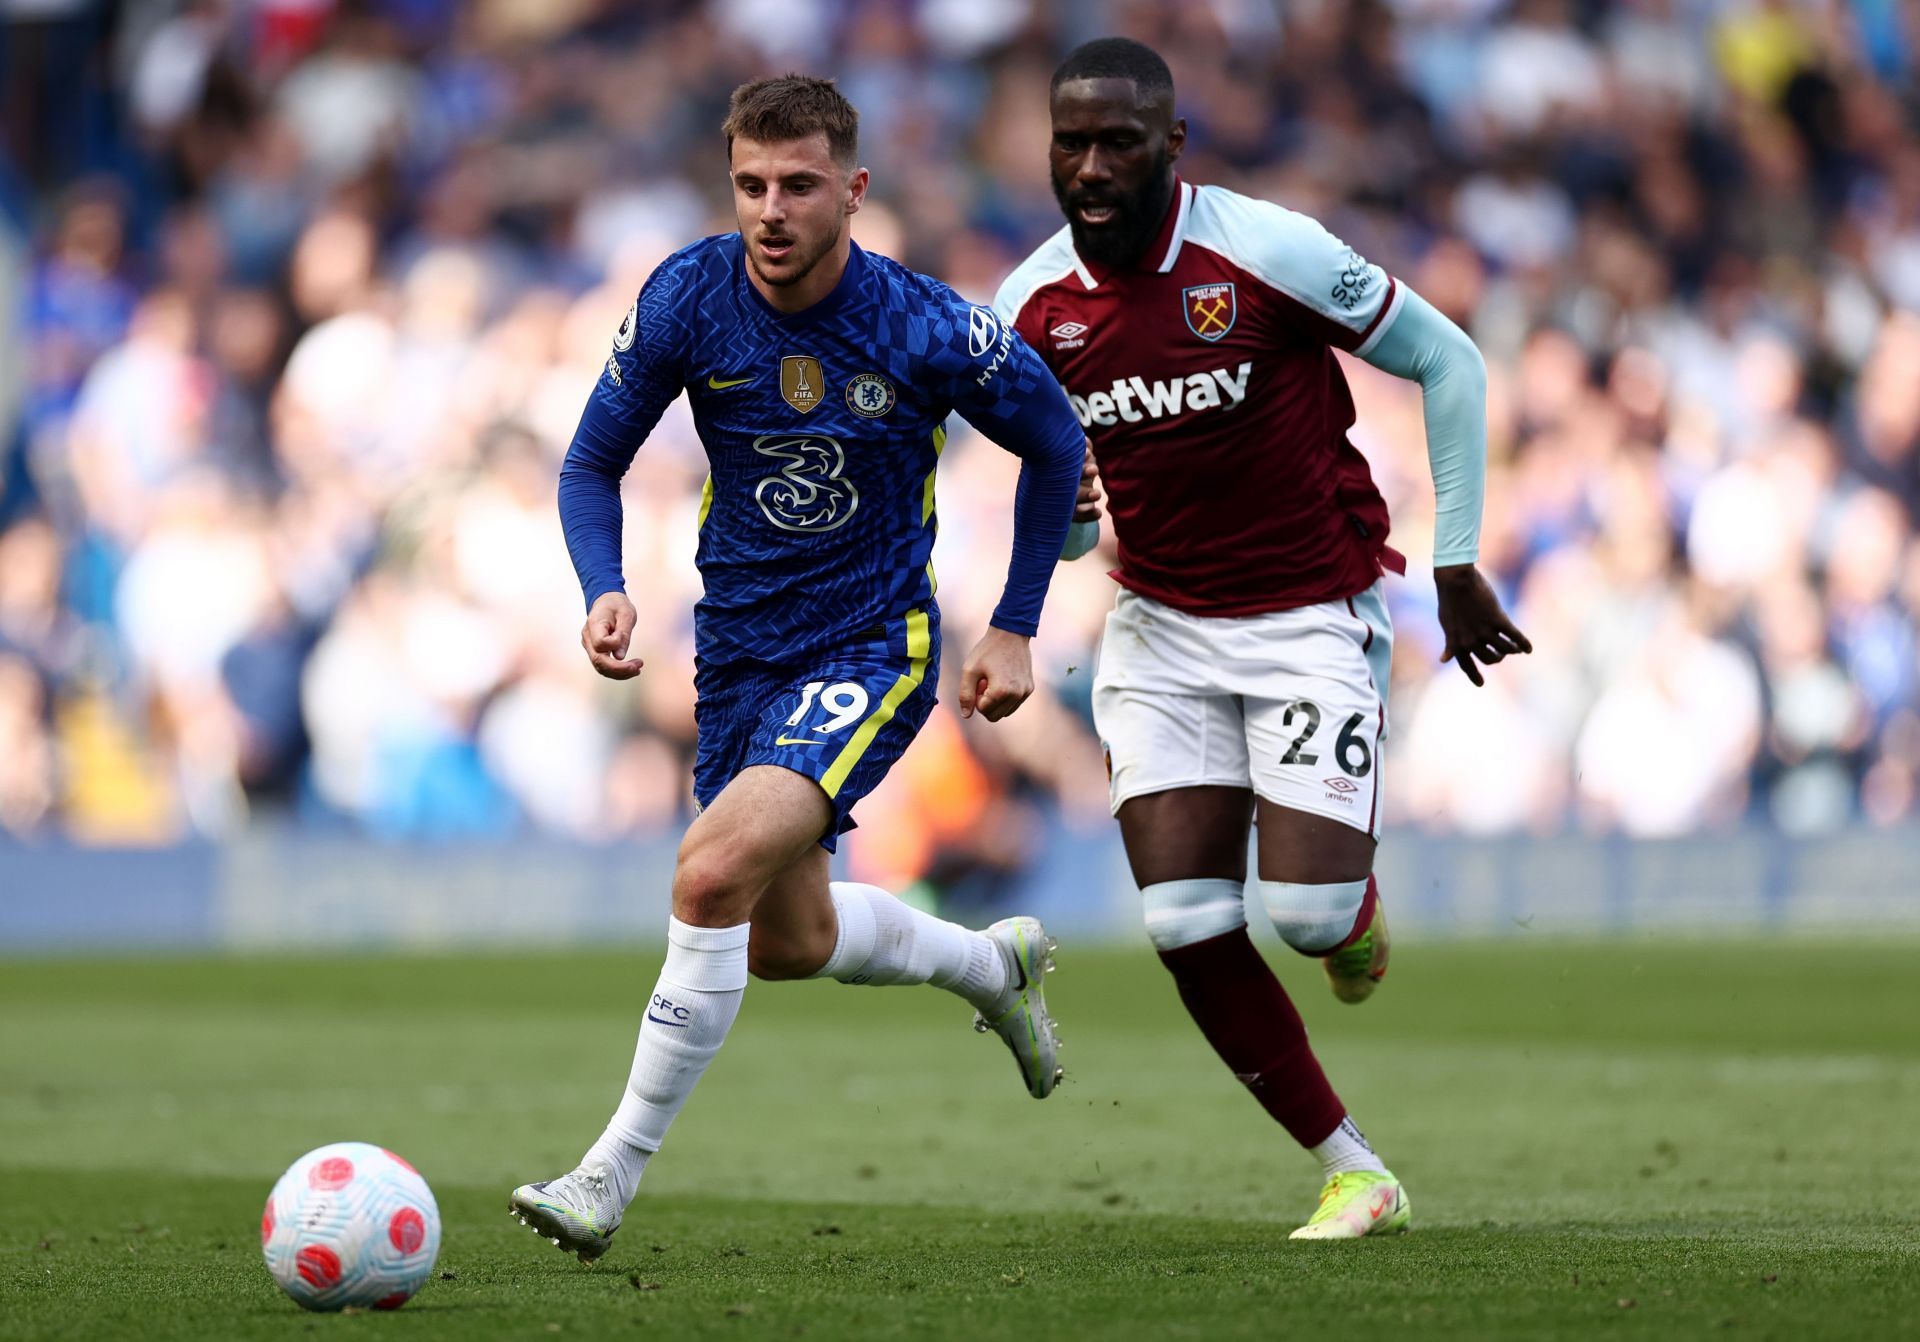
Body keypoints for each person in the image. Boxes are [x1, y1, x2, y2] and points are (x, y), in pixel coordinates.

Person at [513, 75, 1087, 1263]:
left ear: (853, 191)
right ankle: (994, 966)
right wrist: (603, 585)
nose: (770, 210)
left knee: (709, 874)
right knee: (785, 942)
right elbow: (589, 464)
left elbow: (1053, 438)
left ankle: (604, 1175)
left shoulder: (926, 326)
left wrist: (1018, 622)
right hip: (735, 654)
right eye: (750, 185)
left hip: (874, 646)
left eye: (799, 185)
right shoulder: (688, 294)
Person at [996, 38, 1532, 1240]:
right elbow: (1065, 523)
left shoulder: (1264, 250)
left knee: (1304, 917)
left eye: (1117, 142)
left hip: (1305, 616)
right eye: (1068, 143)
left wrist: (1454, 559)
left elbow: (1448, 360)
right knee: (1184, 921)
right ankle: (1356, 1168)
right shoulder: (1026, 308)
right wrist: (1074, 527)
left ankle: (1351, 916)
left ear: (1171, 147)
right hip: (1159, 630)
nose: (1090, 166)